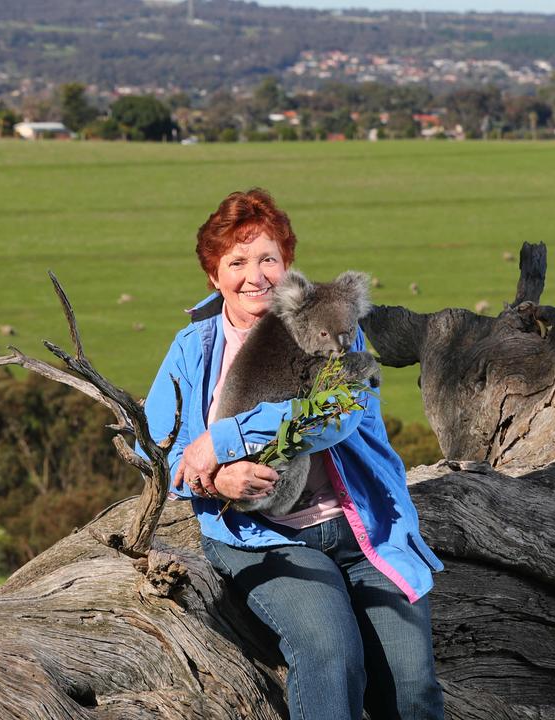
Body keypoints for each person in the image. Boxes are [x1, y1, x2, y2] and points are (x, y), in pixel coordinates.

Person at [142, 188, 445, 720]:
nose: (255, 276)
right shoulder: (192, 350)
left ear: (289, 268)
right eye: (236, 262)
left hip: (363, 527)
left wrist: (223, 439)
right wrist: (216, 482)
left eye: (269, 259)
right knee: (331, 655)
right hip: (262, 538)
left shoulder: (331, 326)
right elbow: (163, 453)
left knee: (413, 686)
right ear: (214, 276)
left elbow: (336, 416)